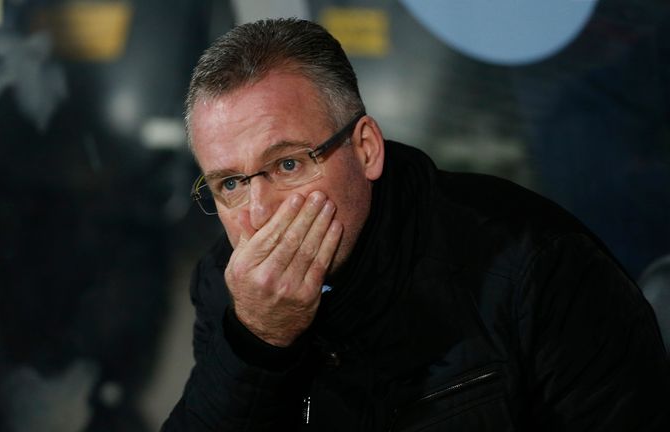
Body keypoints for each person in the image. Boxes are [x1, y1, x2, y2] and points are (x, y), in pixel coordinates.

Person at [162, 18, 670, 431]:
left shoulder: (539, 267)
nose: (261, 213)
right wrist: (256, 341)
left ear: (366, 149)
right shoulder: (226, 286)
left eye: (289, 165)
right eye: (229, 184)